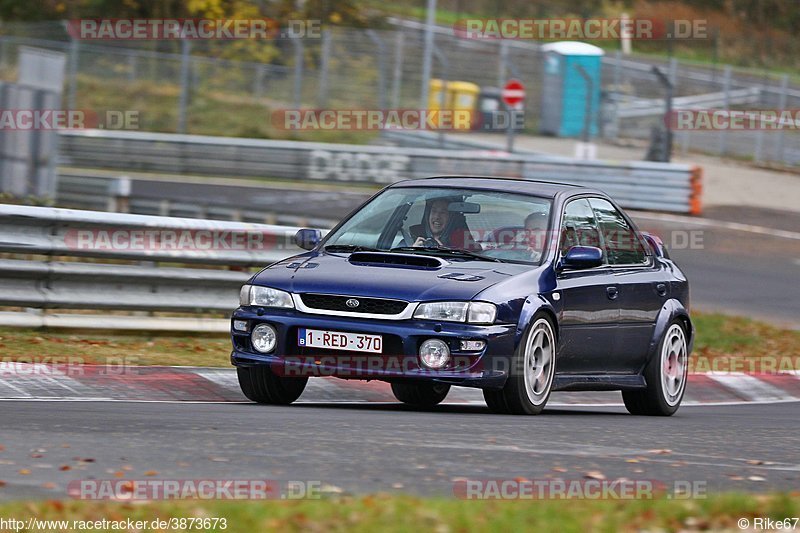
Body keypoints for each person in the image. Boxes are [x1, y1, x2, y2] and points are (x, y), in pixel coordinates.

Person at [409, 197, 478, 250]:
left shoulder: (464, 244)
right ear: (428, 214)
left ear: (451, 218)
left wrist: (445, 252)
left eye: (443, 212)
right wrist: (413, 251)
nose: (437, 217)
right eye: (434, 211)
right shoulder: (412, 239)